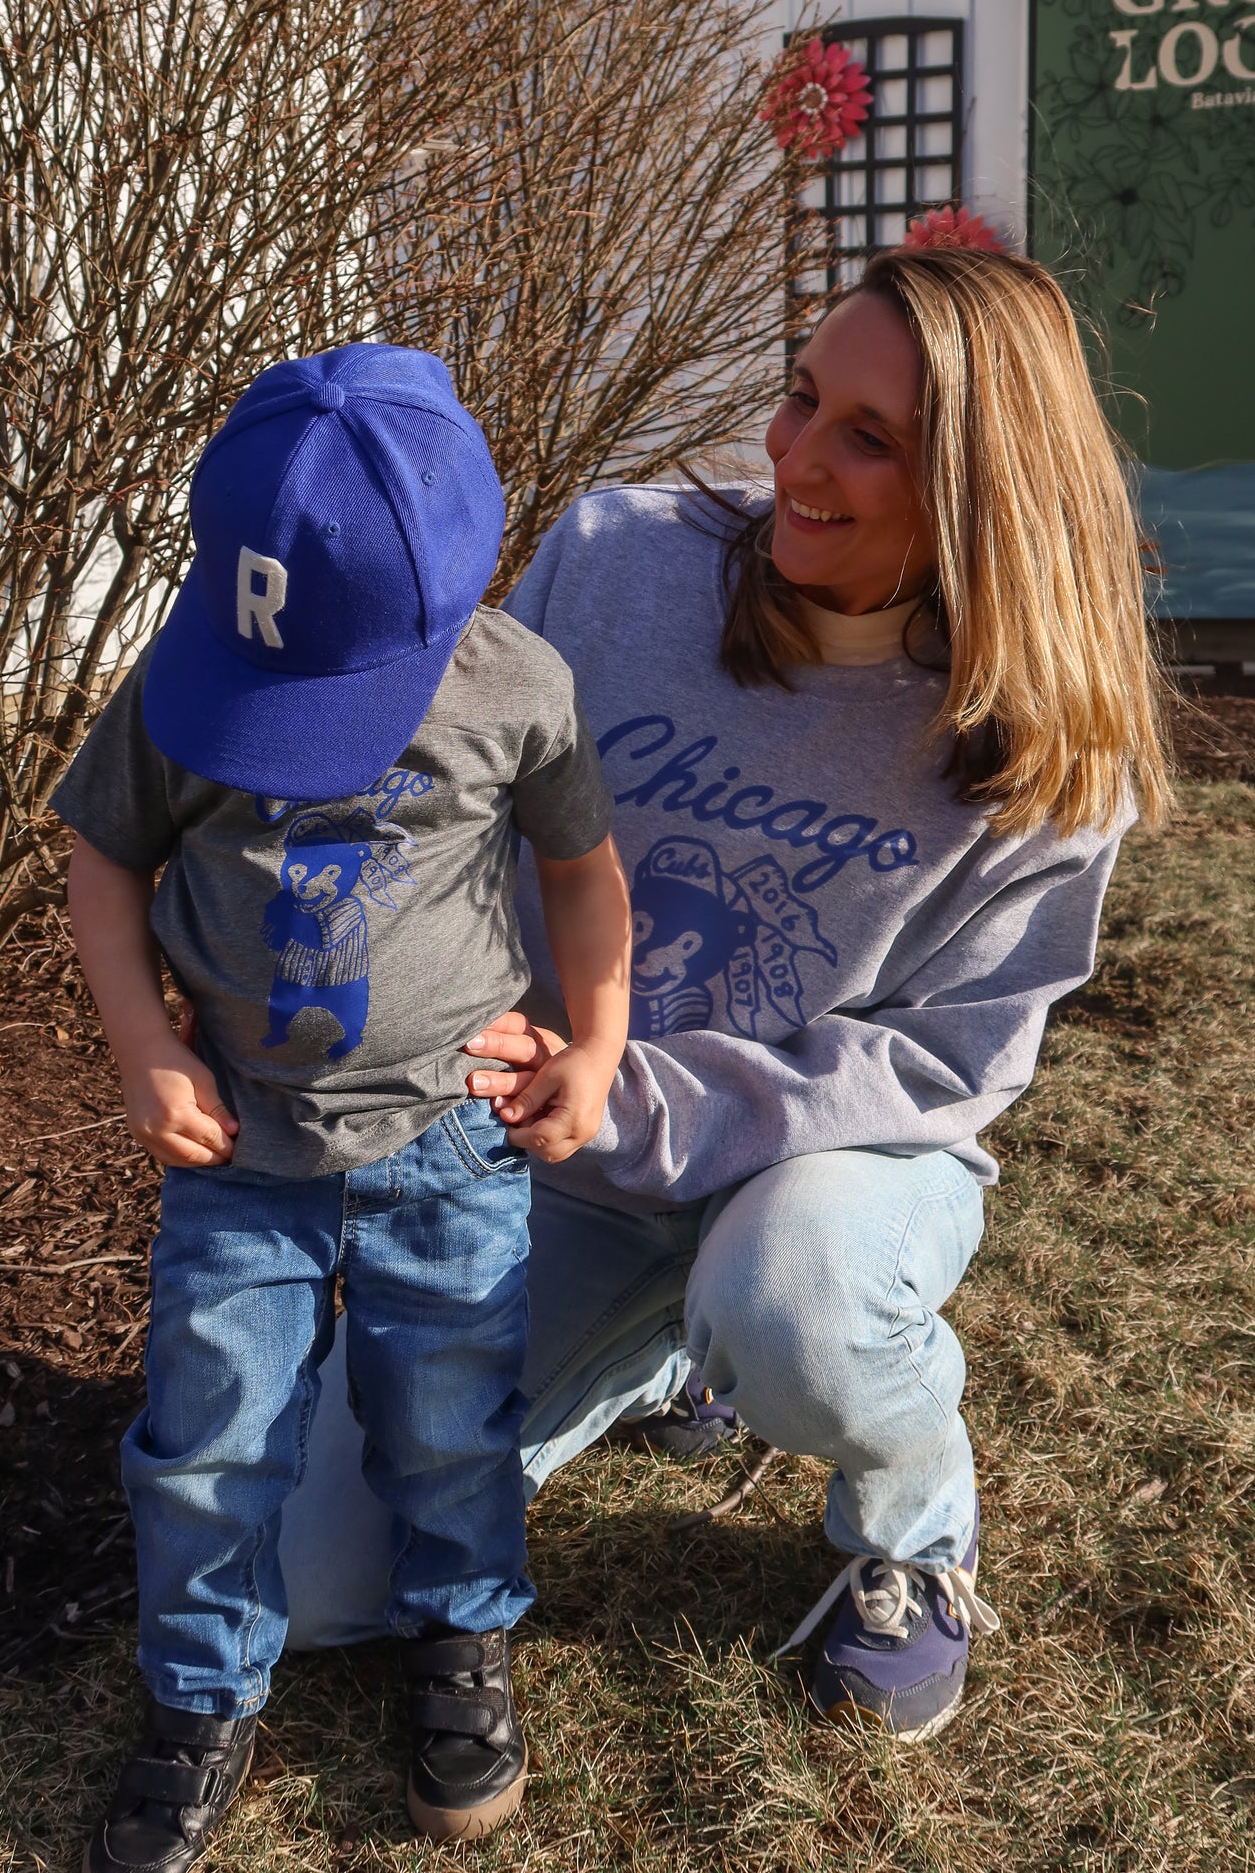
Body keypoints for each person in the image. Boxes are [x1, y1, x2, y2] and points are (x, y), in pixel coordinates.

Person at [276, 244, 1171, 1746]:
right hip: (560, 1149)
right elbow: (453, 810)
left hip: (830, 1165)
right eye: (799, 396)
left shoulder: (1059, 753)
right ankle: (669, 1349)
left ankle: (910, 1531)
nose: (790, 459)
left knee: (792, 1298)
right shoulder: (620, 557)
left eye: (865, 438)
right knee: (312, 1589)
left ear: (983, 489)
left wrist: (636, 1095)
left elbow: (947, 1065)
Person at [52, 344, 631, 1869]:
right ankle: (196, 1698)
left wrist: (600, 1038)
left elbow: (580, 867)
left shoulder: (517, 682)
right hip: (243, 1143)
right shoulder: (189, 669)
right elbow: (105, 854)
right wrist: (140, 1043)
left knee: (449, 1420)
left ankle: (458, 1636)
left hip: (452, 1140)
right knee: (207, 1436)